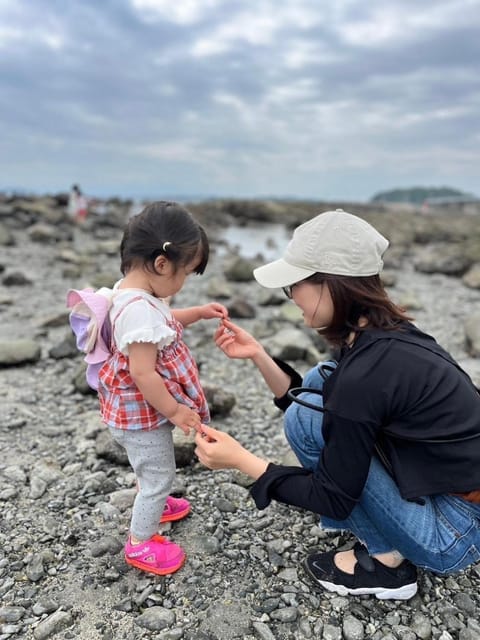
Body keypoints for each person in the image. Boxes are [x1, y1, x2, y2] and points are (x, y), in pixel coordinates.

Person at [195, 208, 480, 600]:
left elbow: (332, 493)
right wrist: (260, 355)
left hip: (453, 533)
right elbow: (322, 405)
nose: (291, 295)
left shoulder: (364, 375)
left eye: (295, 284)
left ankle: (387, 565)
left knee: (305, 419)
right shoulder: (382, 334)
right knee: (318, 381)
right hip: (453, 490)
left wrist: (243, 462)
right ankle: (390, 537)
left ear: (332, 284)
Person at [98, 201, 228, 576]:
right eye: (186, 273)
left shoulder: (134, 294)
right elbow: (143, 373)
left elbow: (164, 323)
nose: (184, 282)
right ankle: (140, 542)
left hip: (135, 412)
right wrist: (174, 410)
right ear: (161, 264)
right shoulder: (138, 310)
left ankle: (153, 501)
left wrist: (198, 312)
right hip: (141, 417)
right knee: (159, 474)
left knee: (150, 466)